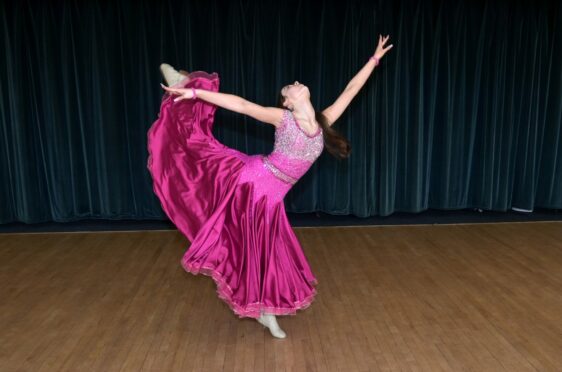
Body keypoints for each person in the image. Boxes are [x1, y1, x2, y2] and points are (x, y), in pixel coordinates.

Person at [147, 35, 393, 339]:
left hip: (270, 200)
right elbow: (241, 105)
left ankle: (265, 312)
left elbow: (351, 90)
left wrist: (374, 59)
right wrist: (196, 93)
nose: (295, 83)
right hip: (249, 184)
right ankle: (186, 84)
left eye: (293, 84)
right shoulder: (283, 118)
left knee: (266, 253)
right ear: (288, 101)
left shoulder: (323, 121)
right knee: (202, 161)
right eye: (289, 87)